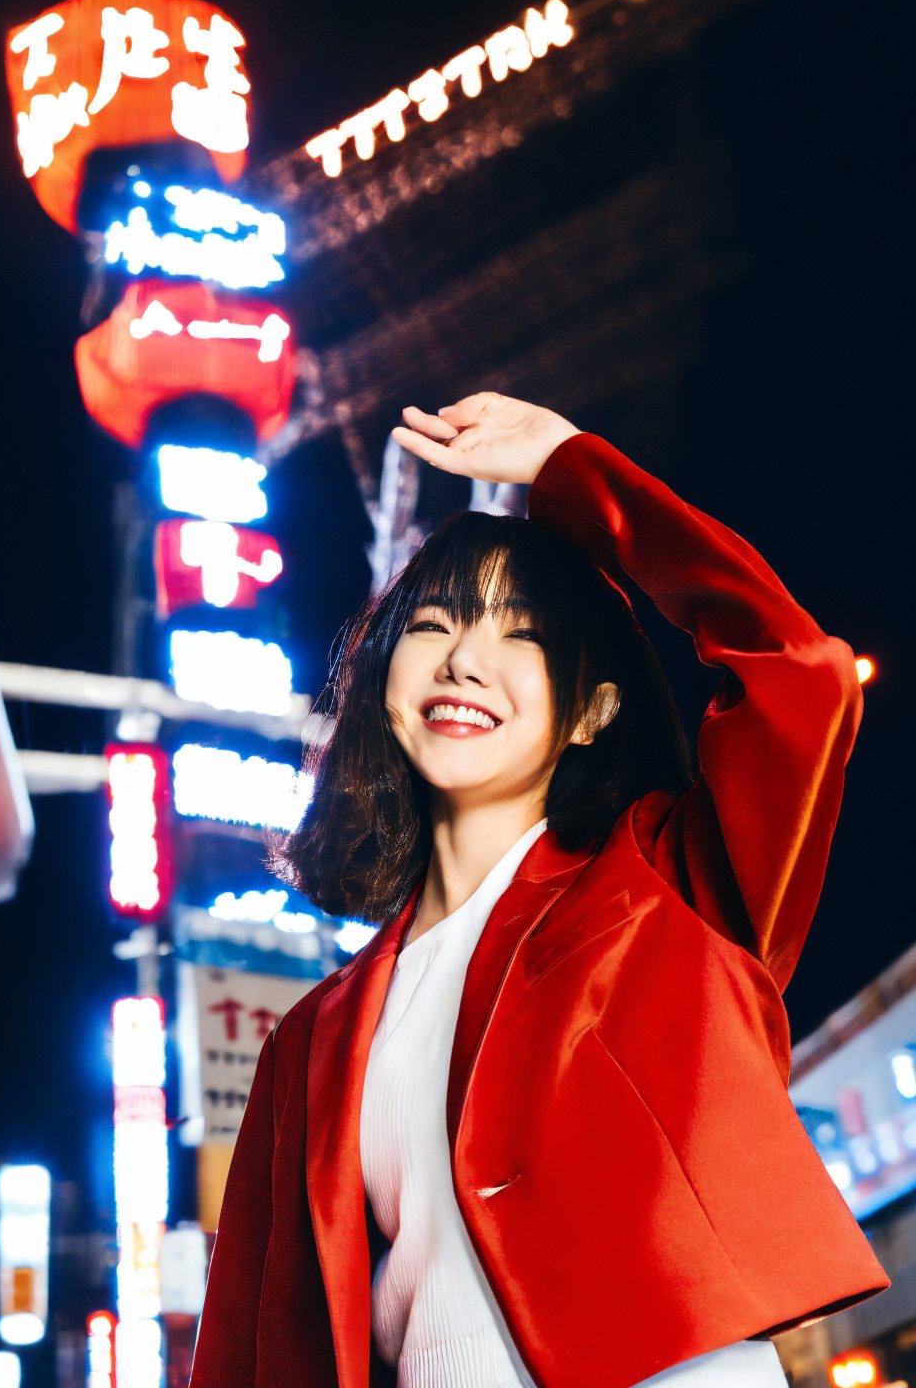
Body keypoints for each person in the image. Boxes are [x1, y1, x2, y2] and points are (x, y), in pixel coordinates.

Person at [189, 393, 888, 1388]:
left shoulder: (669, 884)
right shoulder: (309, 1042)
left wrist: (576, 471)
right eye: (431, 627)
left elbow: (798, 672)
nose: (466, 660)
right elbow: (254, 1356)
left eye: (519, 635)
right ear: (386, 690)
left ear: (592, 711)